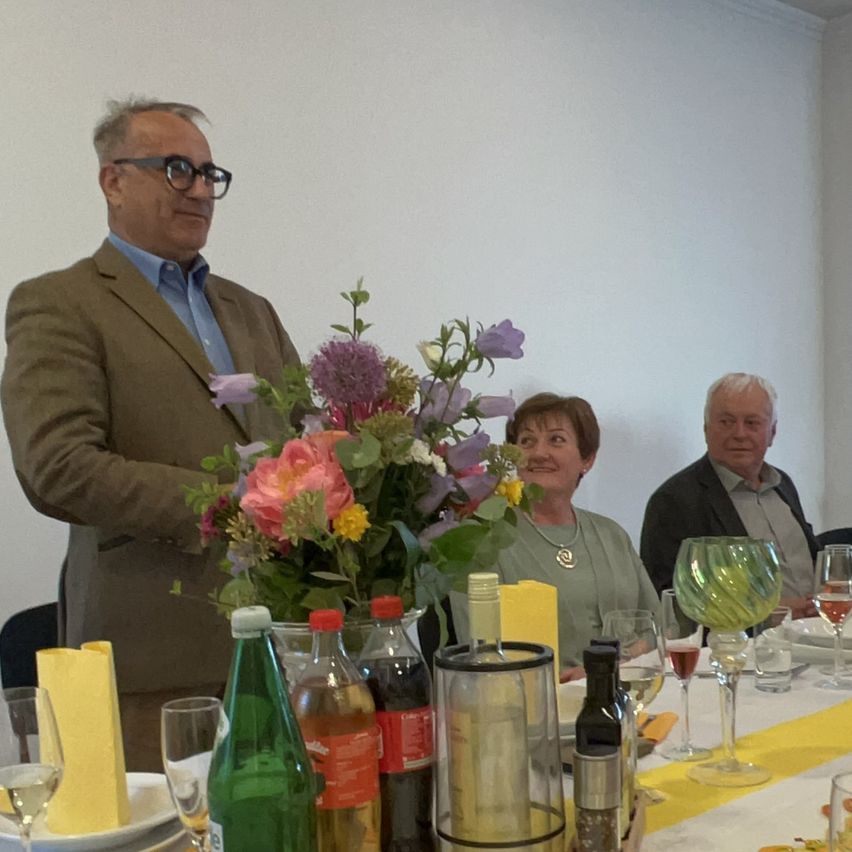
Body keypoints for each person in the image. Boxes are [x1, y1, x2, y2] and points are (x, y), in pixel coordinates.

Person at [1, 98, 300, 770]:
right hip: (152, 658)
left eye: (208, 173)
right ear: (113, 180)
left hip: (281, 648)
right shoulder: (59, 301)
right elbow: (57, 465)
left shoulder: (252, 312)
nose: (198, 189)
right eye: (175, 169)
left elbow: (301, 447)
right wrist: (230, 503)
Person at [453, 393, 659, 676]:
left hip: (633, 695)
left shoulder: (612, 534)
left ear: (587, 459)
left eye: (556, 440)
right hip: (539, 707)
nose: (538, 453)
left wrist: (613, 666)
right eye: (526, 441)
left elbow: (658, 630)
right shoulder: (480, 538)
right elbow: (480, 655)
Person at [640, 372, 818, 619]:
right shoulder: (674, 501)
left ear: (773, 433)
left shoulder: (783, 484)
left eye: (752, 423)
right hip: (740, 649)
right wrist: (769, 612)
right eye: (726, 421)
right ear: (705, 429)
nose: (739, 433)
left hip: (818, 638)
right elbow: (671, 600)